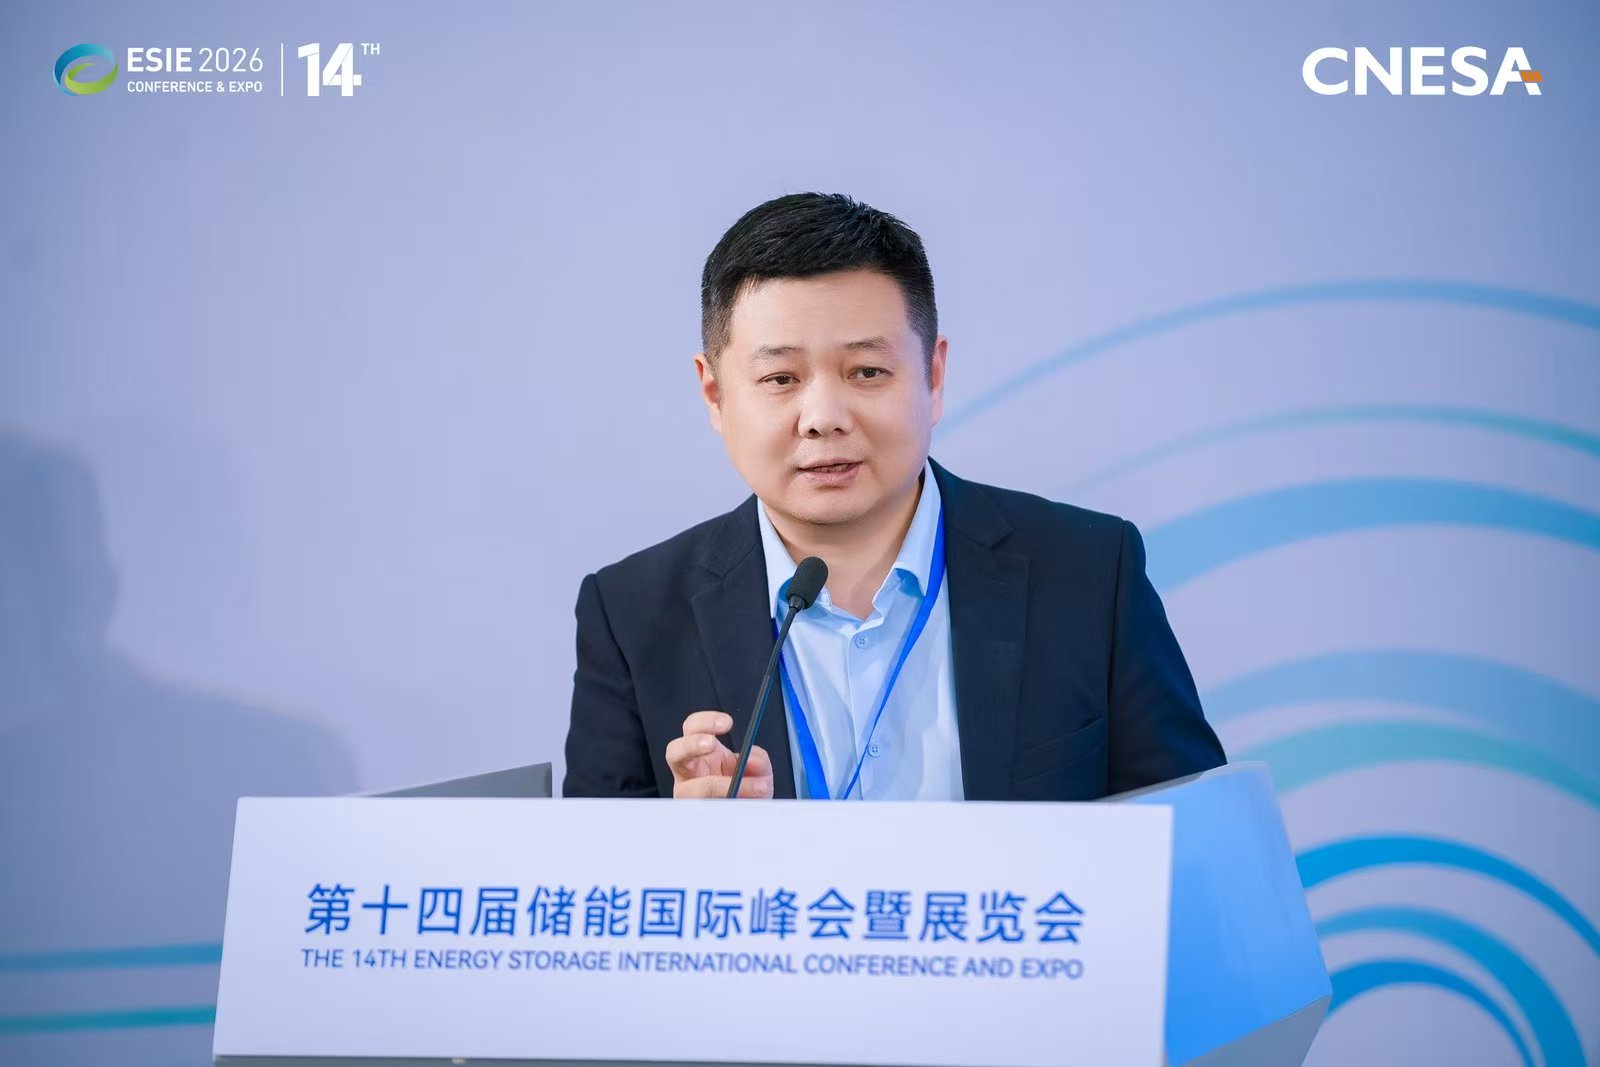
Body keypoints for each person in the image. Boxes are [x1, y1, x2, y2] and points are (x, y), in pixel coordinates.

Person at [563, 192, 1225, 801]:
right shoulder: (631, 616)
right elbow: (589, 876)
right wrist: (677, 851)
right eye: (781, 378)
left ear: (933, 375)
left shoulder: (1089, 572)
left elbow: (1198, 839)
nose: (824, 417)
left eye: (867, 371)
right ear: (715, 394)